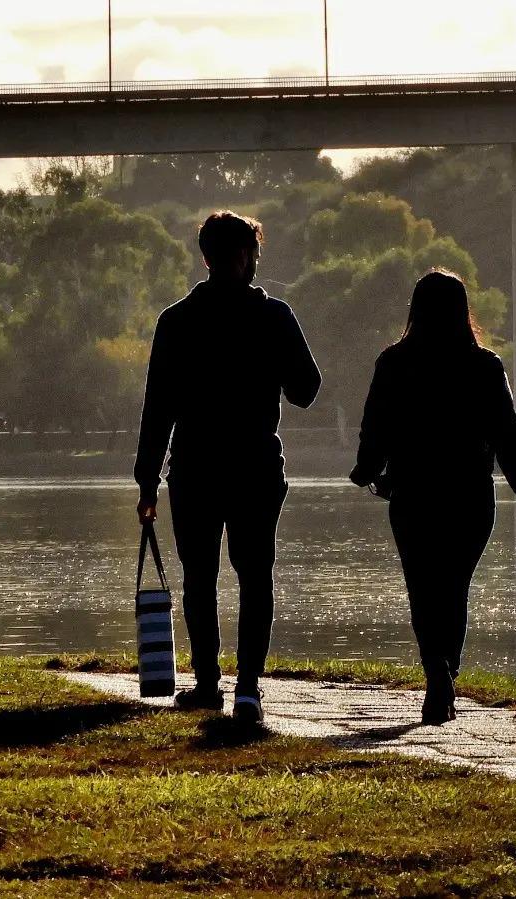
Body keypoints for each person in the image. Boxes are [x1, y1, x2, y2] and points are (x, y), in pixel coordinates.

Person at [134, 210, 321, 725]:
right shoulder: (274, 317)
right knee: (255, 575)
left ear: (207, 257)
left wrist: (147, 479)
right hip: (256, 465)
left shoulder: (177, 321)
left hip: (194, 466)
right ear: (248, 256)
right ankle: (250, 688)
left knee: (201, 577)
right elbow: (306, 389)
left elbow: (158, 408)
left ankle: (210, 684)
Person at [349, 270, 516, 725]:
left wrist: (365, 471)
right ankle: (448, 673)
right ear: (463, 311)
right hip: (470, 498)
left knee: (423, 589)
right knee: (454, 589)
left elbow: (375, 426)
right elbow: (509, 441)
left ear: (415, 311)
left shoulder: (394, 362)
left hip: (414, 495)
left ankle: (436, 673)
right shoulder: (485, 366)